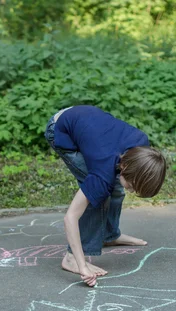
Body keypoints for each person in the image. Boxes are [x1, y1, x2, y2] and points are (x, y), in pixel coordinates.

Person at [45, 105, 167, 286]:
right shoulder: (103, 171)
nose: (132, 191)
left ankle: (109, 236)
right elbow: (70, 217)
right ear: (123, 167)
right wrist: (81, 265)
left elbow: (120, 175)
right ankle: (70, 258)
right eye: (133, 187)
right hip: (61, 129)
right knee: (98, 196)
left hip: (86, 121)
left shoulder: (141, 147)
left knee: (116, 188)